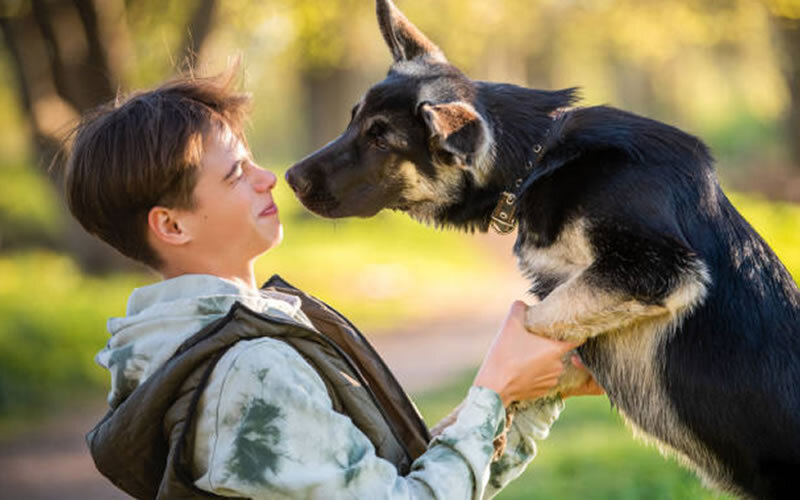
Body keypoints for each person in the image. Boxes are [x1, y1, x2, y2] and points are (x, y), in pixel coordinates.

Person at [64, 69, 602, 500]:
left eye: (251, 160)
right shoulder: (245, 374)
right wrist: (493, 390)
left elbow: (398, 479)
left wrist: (529, 393)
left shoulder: (216, 344)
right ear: (171, 225)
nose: (268, 177)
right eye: (235, 174)